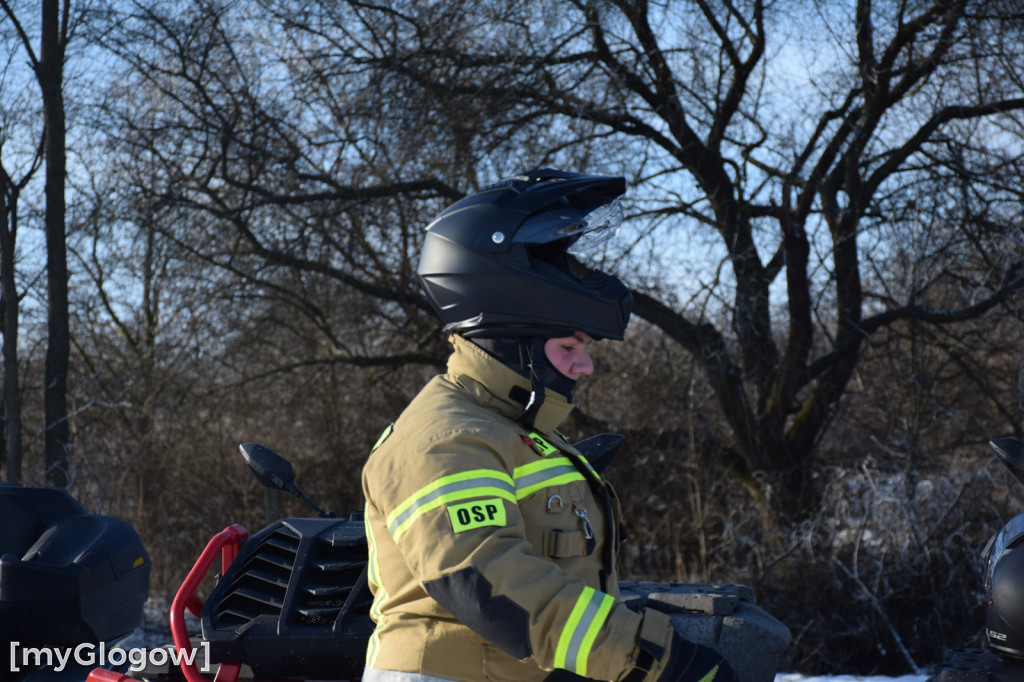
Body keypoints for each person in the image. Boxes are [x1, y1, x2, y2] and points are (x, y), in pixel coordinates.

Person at [361, 169, 738, 682]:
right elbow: (486, 580)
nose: (585, 367)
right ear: (509, 341)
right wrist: (651, 658)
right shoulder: (443, 440)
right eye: (569, 348)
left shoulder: (516, 432)